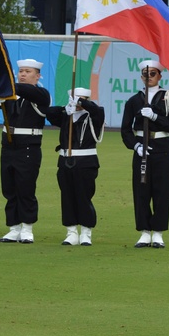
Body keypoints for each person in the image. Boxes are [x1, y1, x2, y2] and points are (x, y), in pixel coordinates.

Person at [0, 58, 51, 244]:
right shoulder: (11, 94)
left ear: (37, 76)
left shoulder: (41, 94)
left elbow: (27, 91)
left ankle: (27, 228)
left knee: (26, 187)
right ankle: (13, 228)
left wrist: (8, 86)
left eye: (28, 71)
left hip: (28, 146)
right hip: (8, 146)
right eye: (21, 71)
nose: (23, 74)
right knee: (9, 188)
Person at [121, 59, 169, 249]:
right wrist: (136, 146)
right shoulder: (133, 101)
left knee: (162, 191)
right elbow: (125, 130)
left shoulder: (168, 98)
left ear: (160, 76)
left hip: (161, 147)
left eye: (153, 74)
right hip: (141, 147)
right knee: (141, 190)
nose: (149, 78)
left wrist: (155, 116)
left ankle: (158, 233)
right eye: (146, 75)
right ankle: (144, 232)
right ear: (141, 77)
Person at [45, 86, 105, 246]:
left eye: (80, 100)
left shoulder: (93, 116)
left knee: (84, 196)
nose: (76, 103)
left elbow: (97, 111)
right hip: (65, 162)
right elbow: (49, 112)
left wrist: (81, 103)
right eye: (73, 99)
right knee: (67, 197)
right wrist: (66, 109)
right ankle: (71, 232)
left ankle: (86, 232)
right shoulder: (67, 115)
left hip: (86, 162)